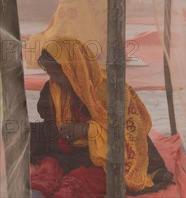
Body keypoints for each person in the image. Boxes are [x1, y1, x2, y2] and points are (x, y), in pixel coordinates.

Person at [29, 36, 173, 197]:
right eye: (50, 74)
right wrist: (65, 129)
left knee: (86, 176)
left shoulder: (110, 88)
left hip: (106, 146)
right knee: (29, 133)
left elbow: (128, 131)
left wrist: (86, 129)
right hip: (75, 143)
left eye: (58, 75)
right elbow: (49, 118)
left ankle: (69, 174)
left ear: (74, 69)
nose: (54, 80)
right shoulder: (54, 88)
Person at [25, 0, 108, 69]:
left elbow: (57, 30)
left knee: (35, 40)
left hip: (73, 50)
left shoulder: (70, 0)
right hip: (105, 49)